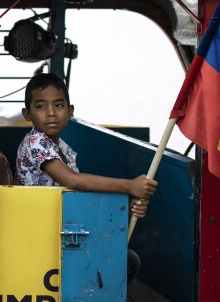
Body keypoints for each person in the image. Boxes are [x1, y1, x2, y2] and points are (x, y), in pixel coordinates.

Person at [15, 72, 157, 283]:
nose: (51, 113)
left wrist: (128, 202)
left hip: (60, 228)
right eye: (41, 106)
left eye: (59, 105)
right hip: (41, 233)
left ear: (70, 111)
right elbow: (74, 181)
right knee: (126, 261)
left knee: (125, 259)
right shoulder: (36, 142)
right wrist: (129, 187)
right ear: (27, 114)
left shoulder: (61, 147)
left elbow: (79, 192)